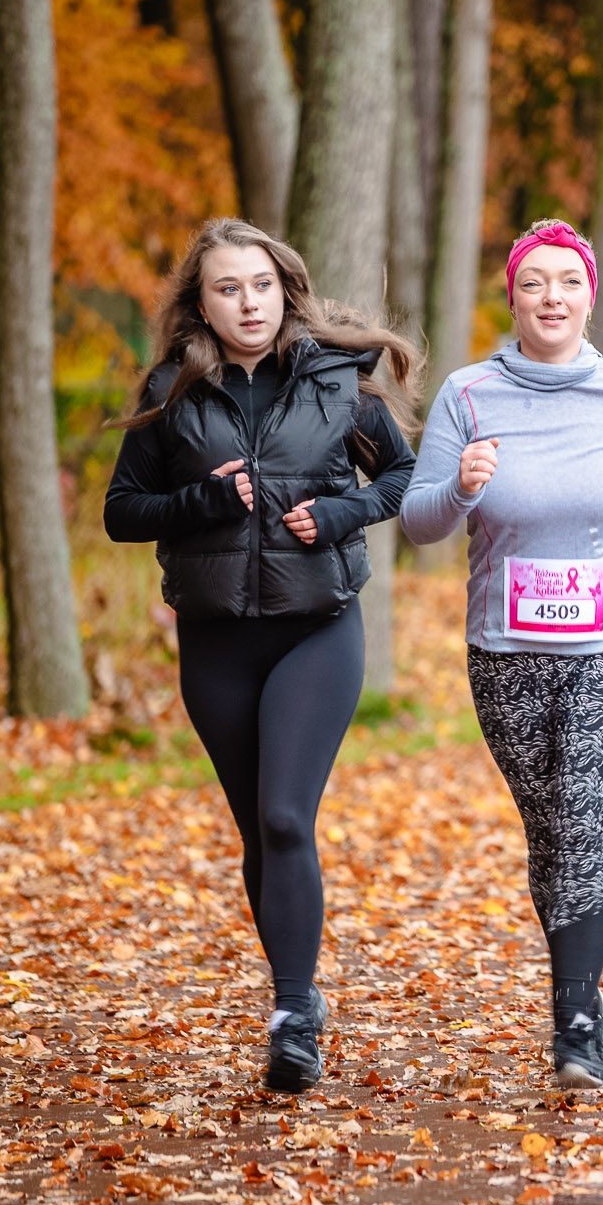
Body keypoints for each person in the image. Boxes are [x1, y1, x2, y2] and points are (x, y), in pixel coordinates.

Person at [104, 218, 421, 1093]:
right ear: (201, 304)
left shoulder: (334, 378)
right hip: (216, 640)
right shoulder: (173, 392)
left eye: (261, 285)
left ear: (285, 289)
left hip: (318, 625)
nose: (248, 303)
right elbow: (122, 509)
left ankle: (290, 1017)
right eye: (227, 289)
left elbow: (400, 477)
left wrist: (343, 513)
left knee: (285, 816)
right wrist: (197, 502)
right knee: (259, 829)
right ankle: (301, 988)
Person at [401, 219, 603, 1091]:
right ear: (513, 299)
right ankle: (582, 993)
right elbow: (417, 522)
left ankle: (576, 1017)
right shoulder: (468, 395)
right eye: (534, 283)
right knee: (551, 828)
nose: (552, 297)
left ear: (590, 297)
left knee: (580, 809)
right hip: (506, 652)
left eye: (568, 282)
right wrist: (461, 487)